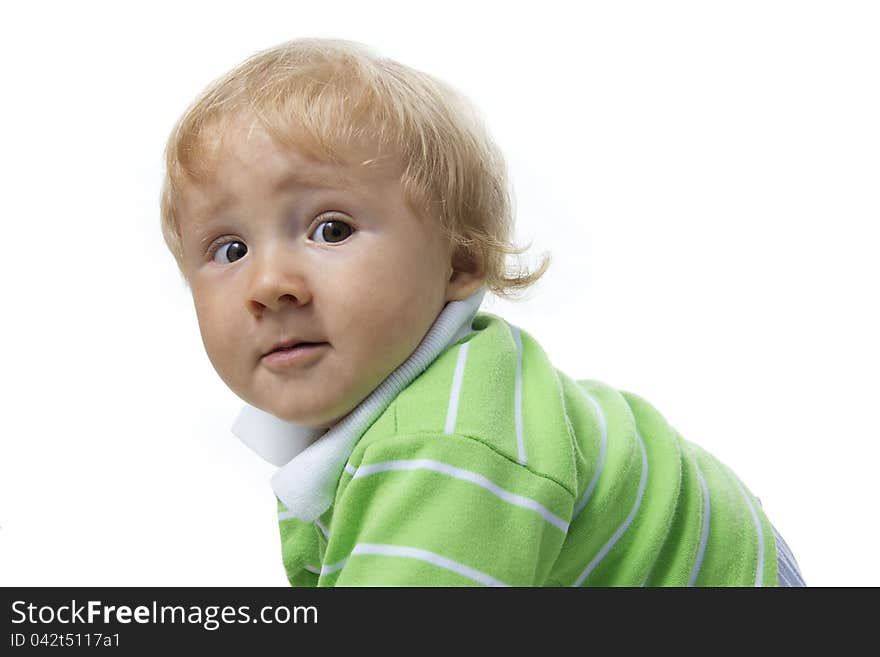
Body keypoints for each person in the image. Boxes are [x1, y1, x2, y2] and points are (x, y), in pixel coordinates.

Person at [159, 37, 805, 586]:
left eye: (331, 229)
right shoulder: (356, 422)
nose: (270, 283)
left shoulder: (447, 441)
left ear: (460, 261)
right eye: (230, 248)